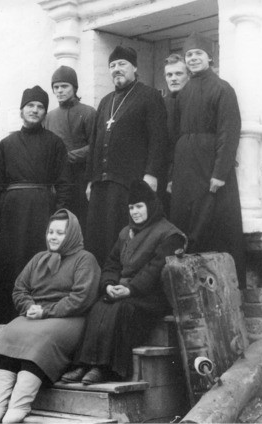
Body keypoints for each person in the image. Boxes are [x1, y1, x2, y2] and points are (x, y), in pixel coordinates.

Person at [60, 180, 186, 385]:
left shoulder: (170, 234)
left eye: (139, 207)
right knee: (98, 306)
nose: (135, 212)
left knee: (121, 310)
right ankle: (84, 364)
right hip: (124, 291)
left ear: (151, 206)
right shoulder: (126, 232)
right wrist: (109, 284)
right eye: (131, 208)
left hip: (151, 298)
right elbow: (111, 264)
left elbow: (155, 269)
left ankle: (106, 369)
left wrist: (130, 289)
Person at [0, 209, 100, 423]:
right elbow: (20, 288)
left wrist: (46, 311)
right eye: (50, 232)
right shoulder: (39, 258)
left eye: (60, 233)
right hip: (36, 315)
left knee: (42, 338)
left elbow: (81, 298)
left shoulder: (85, 259)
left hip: (68, 319)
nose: (53, 237)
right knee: (10, 332)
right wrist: (29, 306)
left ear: (72, 234)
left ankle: (19, 405)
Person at [0, 86, 71, 324]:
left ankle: (38, 314)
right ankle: (7, 318)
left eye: (40, 107)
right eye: (30, 106)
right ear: (21, 111)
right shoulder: (6, 144)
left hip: (42, 212)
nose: (35, 110)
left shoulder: (55, 143)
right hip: (12, 213)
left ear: (45, 112)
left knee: (40, 260)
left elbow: (64, 183)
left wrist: (59, 216)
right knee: (11, 262)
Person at [169, 32, 246, 288]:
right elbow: (176, 135)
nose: (192, 58)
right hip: (186, 169)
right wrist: (173, 175)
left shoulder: (222, 88)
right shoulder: (184, 92)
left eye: (198, 54)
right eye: (189, 55)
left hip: (210, 169)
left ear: (209, 57)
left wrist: (220, 173)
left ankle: (222, 289)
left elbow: (229, 132)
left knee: (214, 223)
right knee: (187, 223)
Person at [85, 46, 169, 266]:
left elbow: (159, 139)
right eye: (112, 65)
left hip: (130, 183)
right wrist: (90, 180)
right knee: (98, 238)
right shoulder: (105, 101)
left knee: (123, 236)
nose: (116, 69)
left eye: (122, 64)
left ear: (135, 67)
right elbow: (94, 142)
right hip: (101, 184)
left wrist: (151, 173)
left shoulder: (149, 96)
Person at [44, 66, 96, 233]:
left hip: (81, 179)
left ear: (74, 87)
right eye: (56, 87)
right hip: (58, 182)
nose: (59, 90)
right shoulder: (49, 117)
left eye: (64, 86)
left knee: (82, 225)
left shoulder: (88, 112)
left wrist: (69, 157)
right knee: (60, 224)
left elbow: (96, 145)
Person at [163, 54, 190, 215]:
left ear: (188, 75)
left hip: (190, 174)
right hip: (166, 176)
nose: (173, 78)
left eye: (178, 74)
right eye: (169, 74)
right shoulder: (161, 104)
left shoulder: (196, 101)